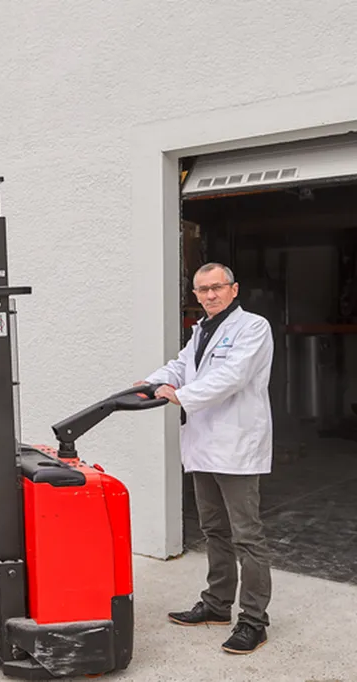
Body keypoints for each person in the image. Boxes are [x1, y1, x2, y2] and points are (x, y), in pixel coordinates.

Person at [137, 262, 274, 655]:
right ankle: (216, 606)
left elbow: (233, 375)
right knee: (214, 530)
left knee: (247, 536)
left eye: (217, 287)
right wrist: (150, 382)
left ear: (234, 289)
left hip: (236, 446)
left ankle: (253, 621)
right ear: (195, 295)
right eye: (202, 290)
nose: (210, 295)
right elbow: (182, 366)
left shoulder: (253, 327)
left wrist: (181, 395)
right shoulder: (201, 330)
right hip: (203, 445)